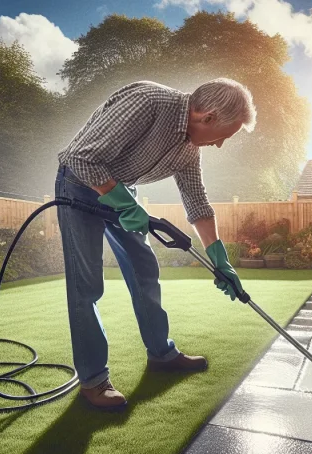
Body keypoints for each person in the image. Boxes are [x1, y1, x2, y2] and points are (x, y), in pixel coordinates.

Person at [54, 78, 256, 409]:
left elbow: (196, 201)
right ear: (205, 117)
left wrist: (220, 259)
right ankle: (93, 381)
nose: (220, 145)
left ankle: (161, 354)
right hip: (77, 185)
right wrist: (123, 202)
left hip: (119, 191)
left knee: (145, 269)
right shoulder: (148, 102)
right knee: (86, 285)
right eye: (223, 136)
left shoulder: (189, 149)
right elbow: (80, 158)